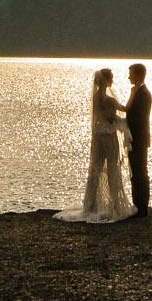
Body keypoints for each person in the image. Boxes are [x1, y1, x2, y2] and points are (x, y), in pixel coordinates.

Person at [54, 68, 132, 224]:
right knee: (112, 167)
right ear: (107, 81)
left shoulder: (96, 98)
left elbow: (102, 117)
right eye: (111, 79)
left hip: (97, 137)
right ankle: (115, 204)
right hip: (109, 137)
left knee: (95, 169)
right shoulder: (109, 100)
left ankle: (90, 205)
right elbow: (122, 111)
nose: (113, 81)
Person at [124, 63, 151, 220]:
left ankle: (141, 207)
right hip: (137, 138)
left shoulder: (143, 94)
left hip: (138, 139)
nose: (129, 77)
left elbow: (138, 118)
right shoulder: (138, 92)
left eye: (131, 74)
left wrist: (122, 123)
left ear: (138, 75)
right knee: (136, 173)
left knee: (140, 173)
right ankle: (138, 206)